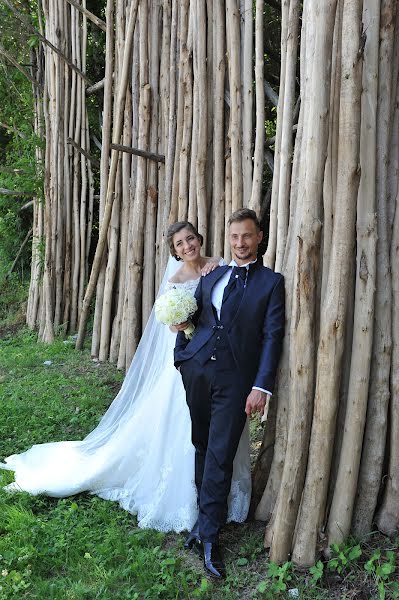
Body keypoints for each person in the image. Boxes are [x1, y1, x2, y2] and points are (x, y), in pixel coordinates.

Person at [0, 221, 251, 535]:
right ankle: (192, 495)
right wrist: (180, 326)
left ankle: (221, 493)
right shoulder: (175, 282)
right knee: (189, 429)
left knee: (221, 428)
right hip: (191, 365)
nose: (187, 247)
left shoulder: (220, 266)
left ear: (200, 239)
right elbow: (172, 328)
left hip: (221, 365)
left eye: (190, 239)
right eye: (180, 244)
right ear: (174, 251)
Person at [175, 208, 285, 578]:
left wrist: (261, 385)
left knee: (220, 454)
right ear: (229, 238)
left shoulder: (271, 283)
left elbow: (272, 336)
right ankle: (200, 522)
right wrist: (182, 357)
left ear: (259, 238)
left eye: (247, 236)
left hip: (236, 382)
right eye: (235, 236)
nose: (240, 243)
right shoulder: (213, 275)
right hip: (197, 372)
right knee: (202, 445)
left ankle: (209, 537)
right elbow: (196, 318)